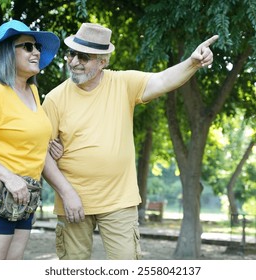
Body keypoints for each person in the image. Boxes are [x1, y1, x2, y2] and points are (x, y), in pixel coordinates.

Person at [42, 22, 218, 260]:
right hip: (72, 202)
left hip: (119, 202)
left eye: (83, 57)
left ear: (103, 62)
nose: (73, 61)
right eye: (71, 53)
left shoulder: (123, 84)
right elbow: (41, 155)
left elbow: (163, 80)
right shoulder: (54, 99)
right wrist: (67, 193)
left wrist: (192, 62)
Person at [0, 19, 83, 260]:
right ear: (7, 52)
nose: (36, 51)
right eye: (27, 46)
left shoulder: (32, 92)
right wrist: (9, 178)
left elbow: (35, 149)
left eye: (36, 47)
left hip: (24, 195)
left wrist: (65, 187)